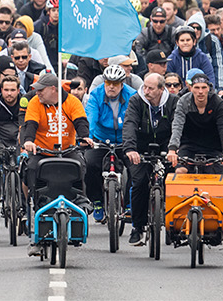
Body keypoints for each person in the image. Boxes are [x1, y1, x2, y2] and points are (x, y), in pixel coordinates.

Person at [21, 71, 90, 243]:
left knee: (81, 165)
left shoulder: (72, 102)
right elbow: (30, 125)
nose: (37, 93)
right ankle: (35, 206)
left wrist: (85, 137)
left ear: (53, 89)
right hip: (42, 151)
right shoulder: (35, 103)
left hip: (67, 149)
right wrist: (29, 142)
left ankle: (79, 205)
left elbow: (80, 121)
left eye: (41, 90)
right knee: (30, 168)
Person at [121, 72, 174, 246]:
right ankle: (137, 227)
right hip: (140, 147)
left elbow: (179, 126)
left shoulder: (174, 102)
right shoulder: (136, 100)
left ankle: (174, 225)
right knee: (139, 181)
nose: (146, 91)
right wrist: (130, 149)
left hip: (167, 145)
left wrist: (176, 149)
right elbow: (129, 123)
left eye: (150, 88)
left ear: (161, 89)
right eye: (144, 87)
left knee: (174, 179)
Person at [83, 64, 134, 210]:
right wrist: (88, 137)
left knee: (136, 167)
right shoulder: (95, 95)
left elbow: (135, 120)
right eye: (108, 83)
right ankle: (97, 201)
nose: (111, 87)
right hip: (101, 139)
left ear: (122, 84)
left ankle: (130, 203)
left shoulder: (132, 96)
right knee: (90, 164)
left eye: (115, 83)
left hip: (126, 140)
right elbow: (90, 118)